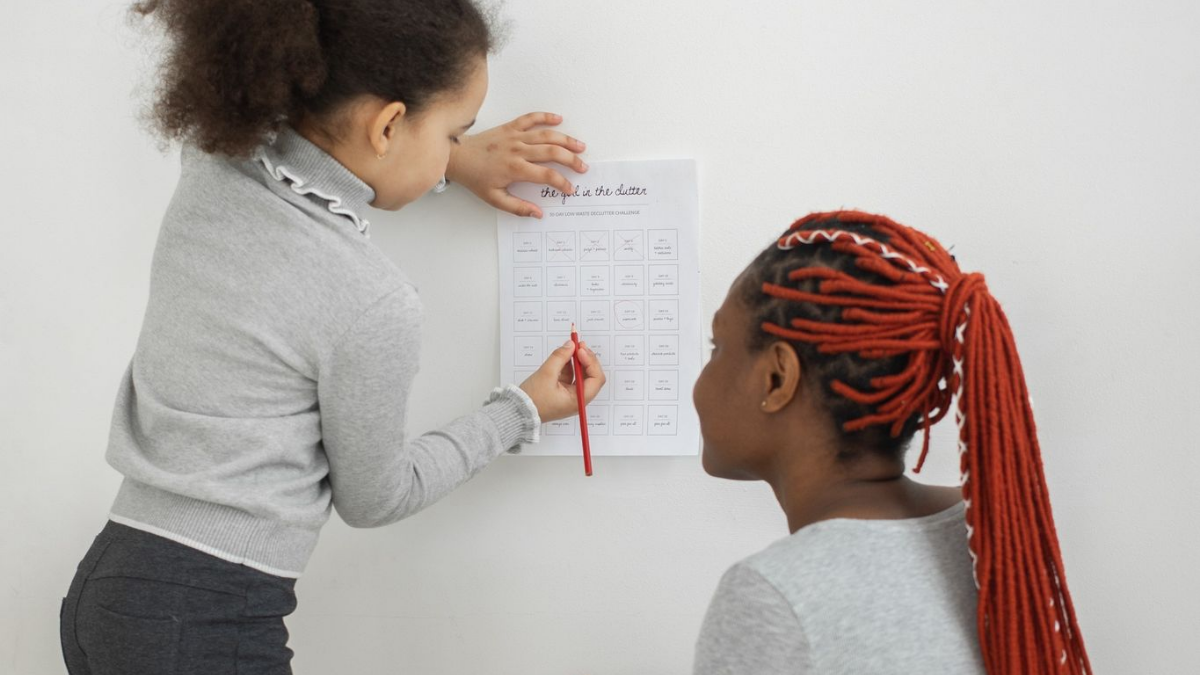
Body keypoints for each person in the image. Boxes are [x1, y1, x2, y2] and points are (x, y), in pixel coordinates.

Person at [59, 1, 605, 672]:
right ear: (388, 125)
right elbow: (376, 497)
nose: (456, 151)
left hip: (109, 586)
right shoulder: (370, 299)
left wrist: (451, 163)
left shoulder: (211, 157)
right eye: (455, 133)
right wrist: (517, 412)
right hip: (204, 619)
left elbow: (309, 156)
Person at [691, 210, 1090, 674]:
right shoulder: (991, 530)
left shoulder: (772, 597)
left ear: (777, 378)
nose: (700, 378)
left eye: (717, 348)